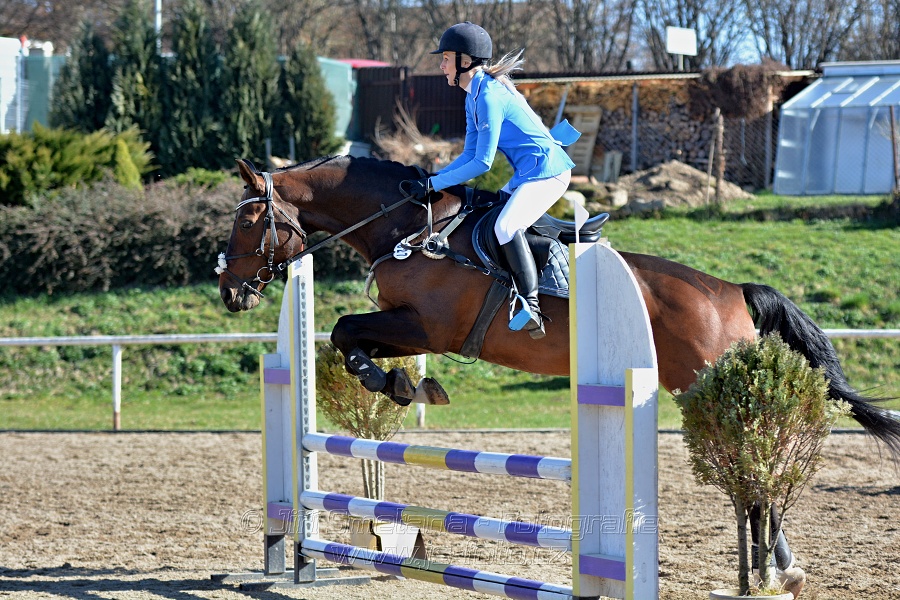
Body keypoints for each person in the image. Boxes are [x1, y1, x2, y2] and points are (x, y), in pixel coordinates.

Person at [401, 22, 578, 340]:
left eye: (445, 58)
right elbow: (470, 154)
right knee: (493, 216)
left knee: (505, 227)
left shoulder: (488, 97)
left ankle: (531, 306)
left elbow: (482, 164)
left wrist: (433, 186)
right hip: (528, 173)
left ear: (465, 61)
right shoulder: (473, 95)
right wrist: (434, 179)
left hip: (548, 172)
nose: (441, 65)